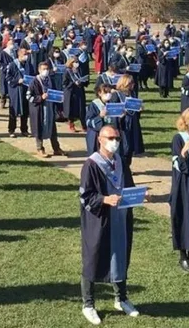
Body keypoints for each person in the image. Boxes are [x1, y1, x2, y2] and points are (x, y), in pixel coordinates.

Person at [79, 125, 140, 325]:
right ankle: (88, 304)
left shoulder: (121, 162)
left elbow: (129, 187)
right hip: (100, 220)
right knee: (93, 259)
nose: (114, 141)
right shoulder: (91, 164)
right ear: (100, 139)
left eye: (117, 138)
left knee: (121, 256)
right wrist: (104, 200)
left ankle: (121, 298)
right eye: (110, 137)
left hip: (120, 218)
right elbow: (85, 196)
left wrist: (140, 195)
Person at [28, 62, 65, 158]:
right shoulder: (34, 82)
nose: (46, 71)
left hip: (50, 108)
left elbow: (55, 92)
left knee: (52, 127)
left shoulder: (50, 80)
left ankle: (56, 148)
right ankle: (40, 148)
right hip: (39, 109)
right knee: (39, 128)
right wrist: (40, 97)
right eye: (43, 69)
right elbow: (28, 96)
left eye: (47, 69)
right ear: (39, 70)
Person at [172, 108, 189, 272]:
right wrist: (184, 152)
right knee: (185, 216)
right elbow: (178, 166)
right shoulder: (179, 138)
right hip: (185, 183)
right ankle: (183, 255)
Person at [113, 75, 144, 169]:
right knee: (124, 147)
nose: (133, 85)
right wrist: (120, 115)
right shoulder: (116, 95)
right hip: (122, 125)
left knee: (131, 146)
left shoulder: (132, 94)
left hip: (132, 123)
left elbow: (134, 110)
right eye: (131, 83)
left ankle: (127, 167)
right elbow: (113, 111)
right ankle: (120, 167)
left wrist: (139, 110)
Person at [85, 84, 124, 155]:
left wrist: (121, 117)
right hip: (97, 135)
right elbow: (88, 122)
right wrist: (100, 116)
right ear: (99, 93)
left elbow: (117, 122)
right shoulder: (94, 105)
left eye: (109, 92)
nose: (108, 94)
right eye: (105, 92)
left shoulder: (113, 104)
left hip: (111, 135)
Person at [4, 47, 33, 138]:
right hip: (16, 91)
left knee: (25, 111)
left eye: (27, 54)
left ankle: (24, 129)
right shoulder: (13, 64)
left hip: (26, 90)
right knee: (14, 111)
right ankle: (11, 130)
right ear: (19, 54)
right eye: (24, 54)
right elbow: (8, 78)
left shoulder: (29, 65)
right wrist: (17, 81)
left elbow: (33, 75)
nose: (26, 56)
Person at [63, 56, 88, 132]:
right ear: (71, 63)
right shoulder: (67, 71)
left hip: (79, 91)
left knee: (81, 109)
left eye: (77, 62)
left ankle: (84, 125)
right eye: (75, 62)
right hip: (71, 92)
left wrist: (85, 80)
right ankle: (71, 124)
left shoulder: (79, 70)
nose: (77, 63)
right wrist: (73, 83)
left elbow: (84, 79)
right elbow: (64, 84)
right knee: (71, 109)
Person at [0, 40, 15, 109]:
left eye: (13, 43)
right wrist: (6, 67)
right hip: (4, 73)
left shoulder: (14, 52)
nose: (12, 45)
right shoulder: (3, 53)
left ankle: (12, 103)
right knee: (4, 88)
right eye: (10, 43)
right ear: (7, 44)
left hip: (12, 73)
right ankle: (3, 102)